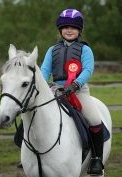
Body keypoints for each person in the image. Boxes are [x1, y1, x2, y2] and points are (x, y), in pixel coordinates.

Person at [41, 8, 104, 176]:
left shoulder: (85, 50)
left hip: (78, 90)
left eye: (73, 27)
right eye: (66, 27)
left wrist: (76, 84)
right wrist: (43, 85)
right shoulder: (51, 50)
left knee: (95, 119)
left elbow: (88, 70)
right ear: (60, 29)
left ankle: (96, 159)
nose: (69, 30)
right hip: (55, 90)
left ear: (79, 30)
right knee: (34, 113)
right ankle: (30, 154)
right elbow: (44, 71)